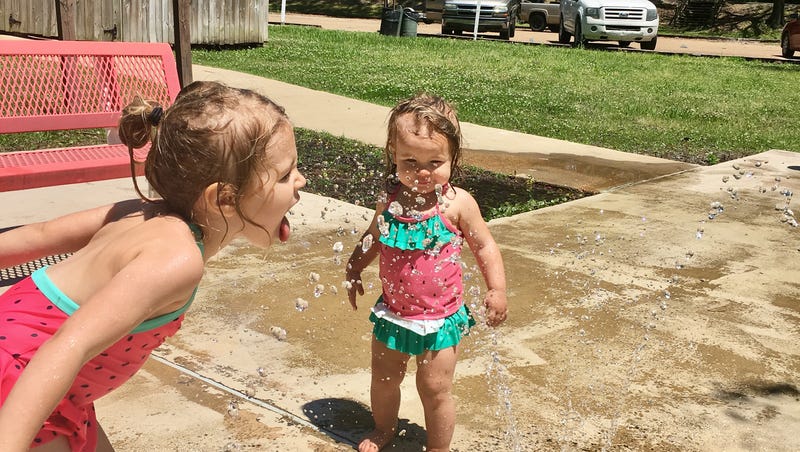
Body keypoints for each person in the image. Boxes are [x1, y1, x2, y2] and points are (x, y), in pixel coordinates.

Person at [0, 80, 306, 452]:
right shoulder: (177, 261)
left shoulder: (135, 213)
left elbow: (37, 234)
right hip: (24, 383)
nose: (300, 181)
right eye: (285, 175)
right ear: (224, 198)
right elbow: (68, 345)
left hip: (48, 379)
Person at [345, 93, 508, 452]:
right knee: (384, 379)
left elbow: (485, 247)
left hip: (439, 320)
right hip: (393, 312)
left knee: (434, 389)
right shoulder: (389, 200)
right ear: (393, 154)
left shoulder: (457, 204)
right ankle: (383, 428)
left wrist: (496, 288)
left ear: (453, 157)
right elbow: (374, 236)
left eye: (435, 161)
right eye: (410, 160)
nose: (422, 172)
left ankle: (438, 448)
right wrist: (354, 266)